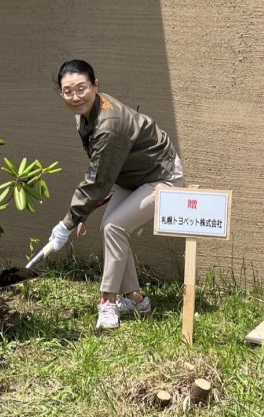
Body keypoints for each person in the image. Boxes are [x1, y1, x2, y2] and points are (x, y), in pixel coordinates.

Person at [48, 59, 184, 331]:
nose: (75, 97)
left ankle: (107, 302)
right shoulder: (84, 116)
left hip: (161, 175)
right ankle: (136, 299)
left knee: (114, 227)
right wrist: (87, 207)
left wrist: (68, 222)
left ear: (95, 85)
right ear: (60, 93)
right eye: (67, 91)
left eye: (81, 88)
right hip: (130, 177)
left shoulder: (109, 124)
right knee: (111, 228)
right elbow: (102, 170)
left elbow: (97, 179)